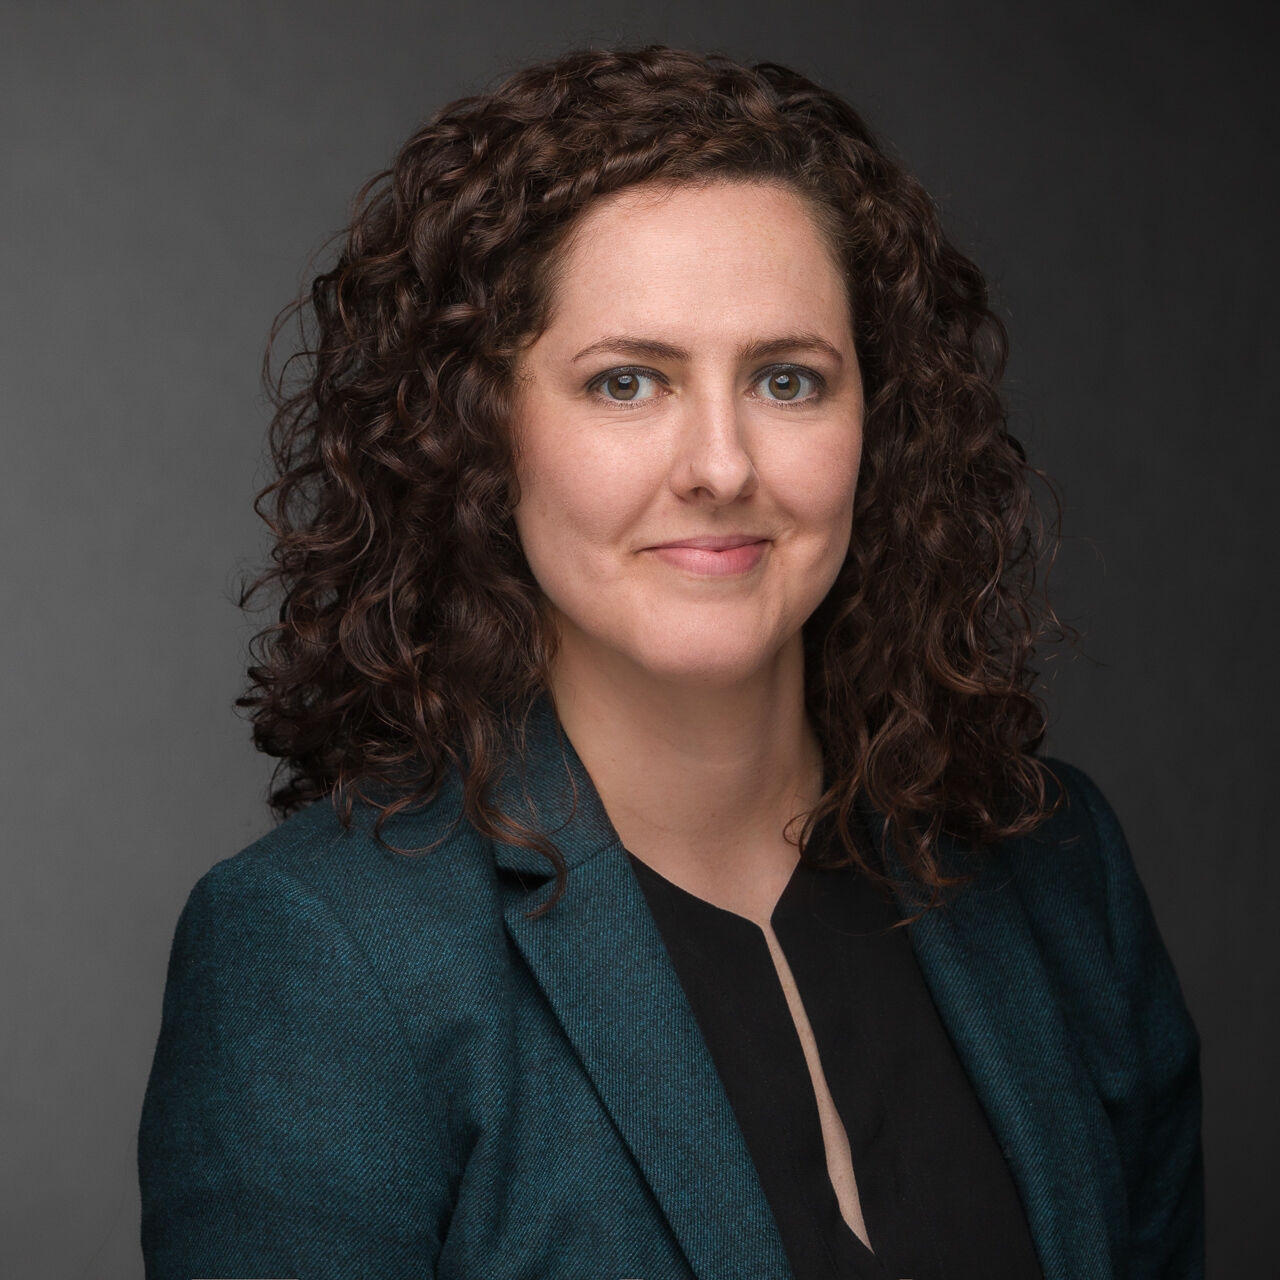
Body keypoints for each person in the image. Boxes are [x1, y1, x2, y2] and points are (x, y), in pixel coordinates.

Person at [137, 43, 1204, 1280]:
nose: (720, 463)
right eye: (627, 381)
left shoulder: (1058, 867)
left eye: (787, 379)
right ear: (479, 435)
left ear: (880, 424)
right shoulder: (320, 953)